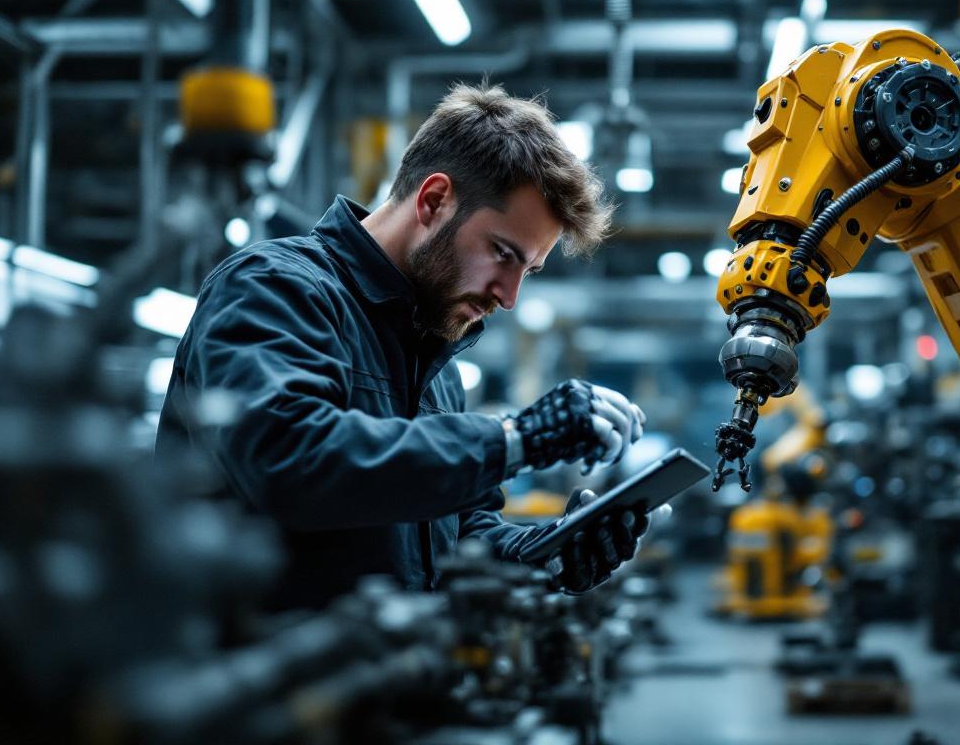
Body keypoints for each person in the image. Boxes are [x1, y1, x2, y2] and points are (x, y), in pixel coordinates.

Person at [156, 83, 651, 610]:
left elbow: (458, 534)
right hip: (256, 679)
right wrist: (513, 439)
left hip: (387, 677)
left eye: (527, 270)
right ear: (434, 200)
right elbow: (285, 459)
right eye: (503, 254)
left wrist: (546, 554)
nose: (509, 297)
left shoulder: (436, 359)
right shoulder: (276, 287)